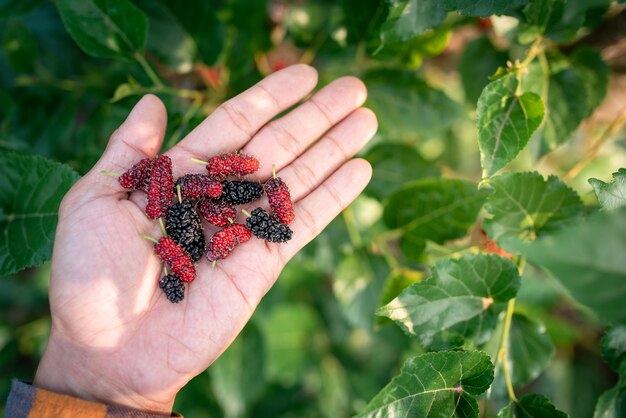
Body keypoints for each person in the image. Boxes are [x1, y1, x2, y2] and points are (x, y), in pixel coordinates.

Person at [4, 64, 377, 417]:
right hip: (194, 220)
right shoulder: (180, 214)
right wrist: (95, 376)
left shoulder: (223, 204)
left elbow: (215, 217)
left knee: (212, 214)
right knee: (195, 221)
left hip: (208, 214)